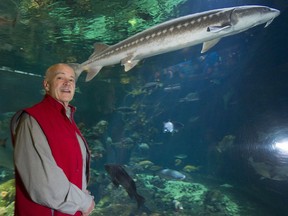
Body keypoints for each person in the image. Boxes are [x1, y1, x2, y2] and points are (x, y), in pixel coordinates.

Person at [10, 63, 95, 216]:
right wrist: (83, 201)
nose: (67, 83)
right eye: (60, 77)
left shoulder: (67, 118)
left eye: (71, 79)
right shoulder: (33, 119)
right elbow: (42, 183)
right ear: (46, 85)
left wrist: (81, 190)